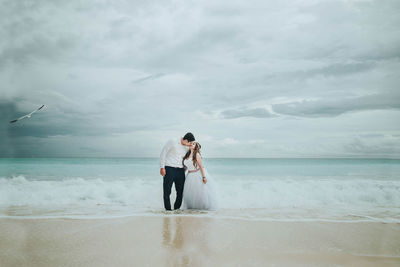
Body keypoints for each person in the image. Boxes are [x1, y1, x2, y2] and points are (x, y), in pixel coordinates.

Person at [160, 132, 195, 210]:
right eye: (190, 143)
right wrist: (162, 167)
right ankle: (168, 211)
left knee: (180, 192)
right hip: (169, 168)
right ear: (186, 140)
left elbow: (187, 159)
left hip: (180, 170)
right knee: (167, 191)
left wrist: (186, 168)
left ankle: (176, 210)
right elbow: (163, 153)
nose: (190, 144)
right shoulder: (173, 141)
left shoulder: (187, 148)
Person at [182, 142, 218, 210]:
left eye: (193, 144)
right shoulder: (187, 154)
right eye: (191, 143)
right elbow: (187, 166)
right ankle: (191, 209)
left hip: (196, 175)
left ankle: (201, 209)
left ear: (195, 147)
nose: (191, 144)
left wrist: (204, 177)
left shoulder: (197, 155)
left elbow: (201, 167)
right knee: (190, 194)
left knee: (199, 193)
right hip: (189, 175)